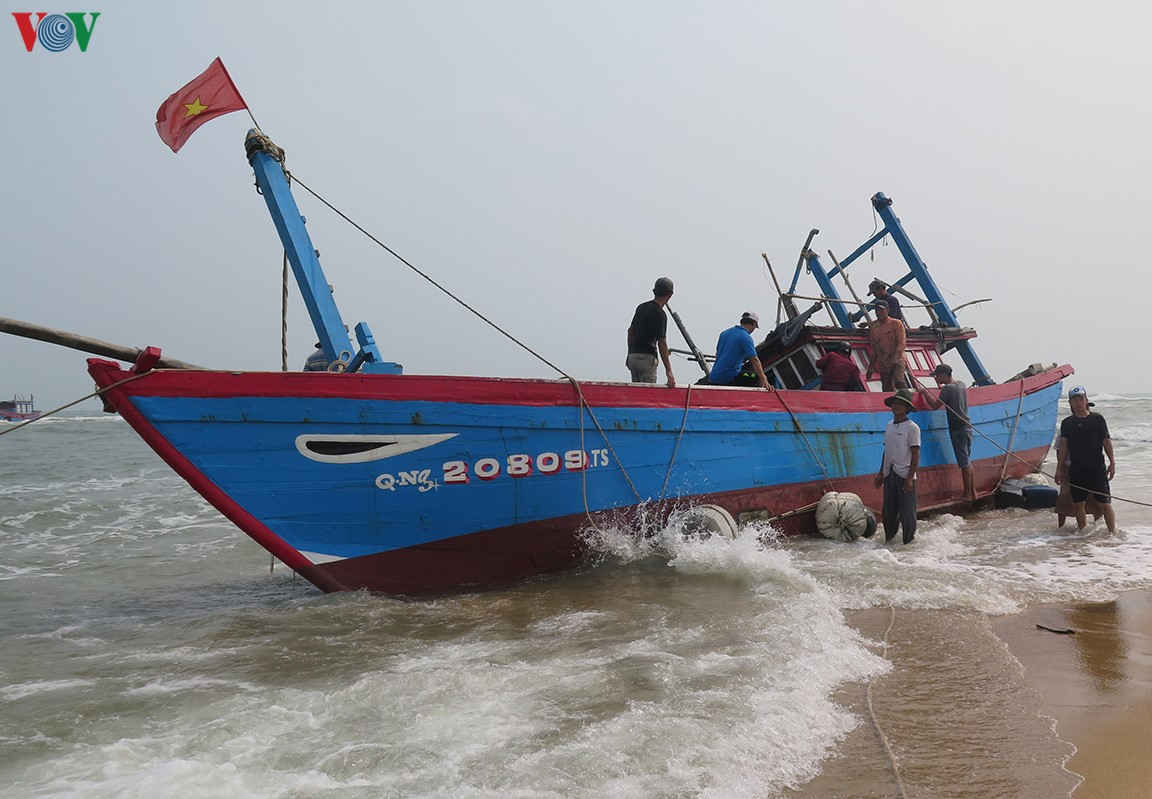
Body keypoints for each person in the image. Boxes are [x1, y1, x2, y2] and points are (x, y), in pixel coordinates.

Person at [1055, 385, 1116, 532]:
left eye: (1080, 399)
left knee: (1105, 504)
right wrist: (1060, 468)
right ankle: (1083, 535)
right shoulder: (1067, 423)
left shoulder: (1098, 419)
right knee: (1078, 504)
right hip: (1077, 470)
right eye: (1074, 400)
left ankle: (1113, 534)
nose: (1078, 402)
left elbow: (1106, 441)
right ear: (1070, 403)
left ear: (1086, 400)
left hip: (1097, 469)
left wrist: (1112, 462)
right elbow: (1063, 447)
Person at [918, 363, 974, 502]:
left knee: (963, 463)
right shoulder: (961, 384)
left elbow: (935, 406)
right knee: (967, 461)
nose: (936, 378)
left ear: (944, 375)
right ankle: (972, 492)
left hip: (957, 428)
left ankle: (967, 494)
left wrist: (924, 393)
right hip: (967, 426)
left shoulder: (947, 389)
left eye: (937, 376)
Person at [874, 388, 920, 544]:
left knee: (907, 514)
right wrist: (881, 473)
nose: (897, 406)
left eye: (901, 404)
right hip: (889, 474)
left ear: (907, 408)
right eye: (895, 403)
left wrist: (909, 478)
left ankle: (909, 543)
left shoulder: (913, 427)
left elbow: (915, 454)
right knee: (888, 512)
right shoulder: (889, 426)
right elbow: (886, 451)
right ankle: (889, 542)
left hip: (905, 475)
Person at [626, 277, 675, 387]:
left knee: (636, 390)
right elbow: (662, 343)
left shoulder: (641, 307)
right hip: (647, 359)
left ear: (655, 291)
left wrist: (629, 354)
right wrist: (669, 371)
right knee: (646, 393)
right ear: (670, 295)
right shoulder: (661, 314)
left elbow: (630, 332)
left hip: (633, 357)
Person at [706, 312, 771, 389]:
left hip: (714, 377)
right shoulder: (745, 337)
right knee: (755, 377)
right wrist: (764, 379)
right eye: (755, 327)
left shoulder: (724, 333)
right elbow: (755, 360)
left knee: (744, 373)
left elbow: (719, 353)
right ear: (753, 324)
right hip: (729, 377)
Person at [866, 301, 908, 391]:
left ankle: (908, 399)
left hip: (898, 359)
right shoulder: (873, 327)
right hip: (883, 362)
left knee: (899, 381)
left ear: (887, 310)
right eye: (876, 311)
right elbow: (874, 349)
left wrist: (895, 358)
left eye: (881, 310)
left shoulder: (897, 323)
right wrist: (871, 367)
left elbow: (901, 343)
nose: (878, 313)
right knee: (886, 387)